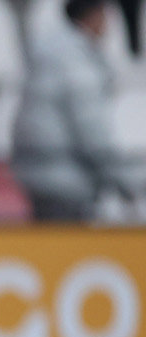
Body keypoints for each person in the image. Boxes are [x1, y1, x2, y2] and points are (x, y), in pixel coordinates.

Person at [13, 0, 139, 220]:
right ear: (94, 16)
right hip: (65, 180)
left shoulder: (53, 53)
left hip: (41, 174)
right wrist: (127, 181)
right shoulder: (76, 63)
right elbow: (92, 134)